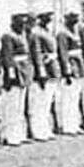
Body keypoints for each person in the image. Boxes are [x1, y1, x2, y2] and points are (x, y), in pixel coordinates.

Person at [0, 13, 32, 146]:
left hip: (23, 72)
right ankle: (9, 135)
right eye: (19, 24)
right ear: (13, 24)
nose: (22, 26)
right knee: (11, 107)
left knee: (19, 106)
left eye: (23, 24)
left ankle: (18, 133)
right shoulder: (8, 36)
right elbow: (7, 58)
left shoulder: (22, 36)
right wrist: (10, 75)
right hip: (14, 74)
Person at [28, 10, 59, 141]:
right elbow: (37, 54)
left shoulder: (47, 31)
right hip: (43, 72)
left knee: (46, 102)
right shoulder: (36, 33)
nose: (49, 19)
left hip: (51, 70)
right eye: (46, 17)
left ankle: (45, 128)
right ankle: (38, 131)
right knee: (39, 103)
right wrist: (41, 72)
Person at [54, 11, 84, 136]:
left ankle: (74, 124)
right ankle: (67, 126)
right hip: (70, 67)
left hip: (77, 66)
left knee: (75, 98)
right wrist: (67, 71)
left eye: (76, 17)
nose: (75, 20)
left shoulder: (75, 31)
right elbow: (63, 53)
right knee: (67, 98)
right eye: (73, 18)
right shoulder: (62, 33)